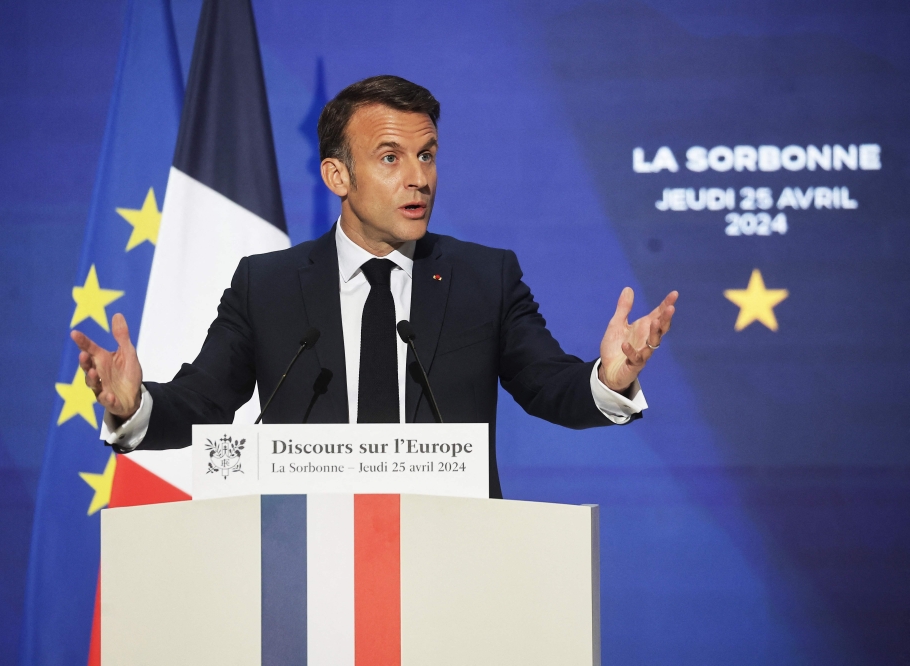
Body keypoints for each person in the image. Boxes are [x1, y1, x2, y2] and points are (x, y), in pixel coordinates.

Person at [71, 75, 677, 498]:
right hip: (309, 568)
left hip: (453, 563)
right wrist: (135, 406)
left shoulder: (483, 279)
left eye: (428, 155)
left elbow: (550, 388)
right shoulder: (269, 286)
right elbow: (204, 401)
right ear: (338, 174)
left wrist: (608, 379)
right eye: (391, 157)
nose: (419, 178)